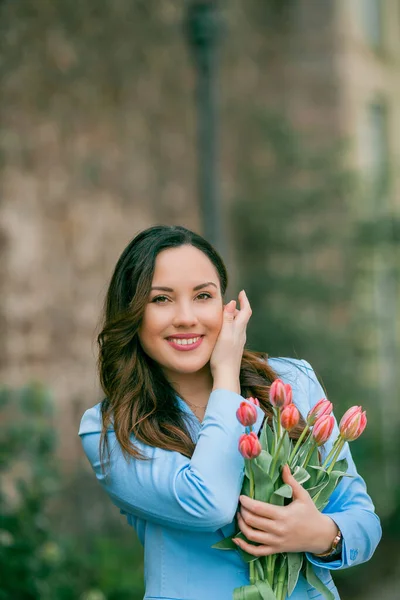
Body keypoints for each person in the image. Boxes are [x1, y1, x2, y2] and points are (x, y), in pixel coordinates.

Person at [79, 225, 381, 600]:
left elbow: (362, 519)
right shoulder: (112, 429)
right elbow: (211, 504)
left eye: (202, 295)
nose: (186, 317)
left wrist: (321, 535)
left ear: (225, 304)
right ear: (133, 312)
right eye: (161, 299)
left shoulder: (289, 382)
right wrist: (226, 375)